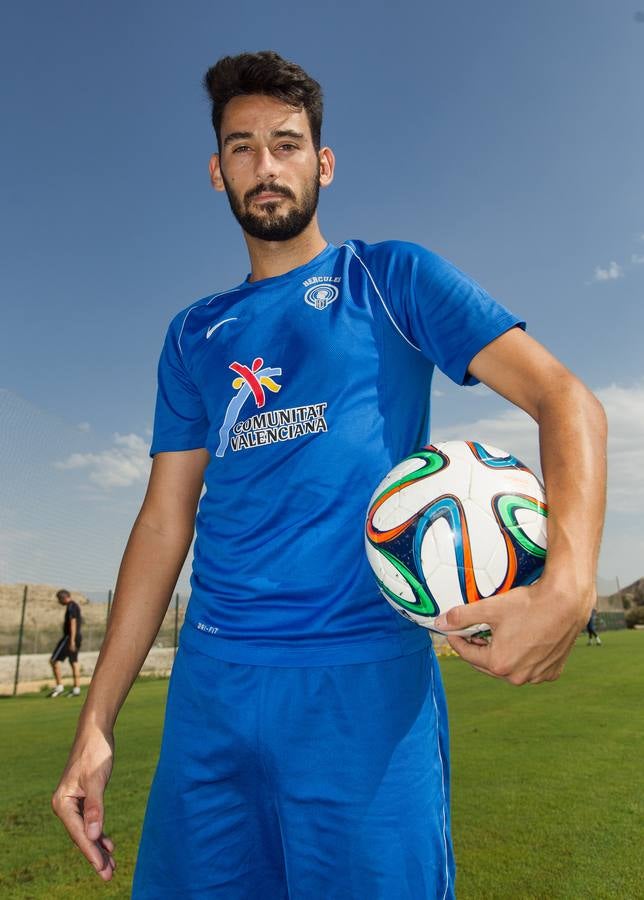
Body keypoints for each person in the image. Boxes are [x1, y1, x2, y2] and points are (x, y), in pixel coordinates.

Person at [51, 51, 607, 897]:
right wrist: (95, 725)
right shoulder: (193, 333)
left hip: (365, 689)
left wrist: (567, 583)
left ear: (323, 161)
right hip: (213, 694)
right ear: (216, 171)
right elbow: (165, 522)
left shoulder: (391, 279)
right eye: (242, 147)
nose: (265, 165)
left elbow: (566, 400)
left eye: (286, 142)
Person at [49, 589, 82, 697]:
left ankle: (59, 687)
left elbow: (73, 623)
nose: (59, 602)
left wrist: (71, 641)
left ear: (63, 598)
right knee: (74, 662)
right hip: (77, 636)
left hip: (69, 638)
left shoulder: (71, 607)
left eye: (59, 599)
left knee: (53, 660)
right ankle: (76, 689)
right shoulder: (75, 605)